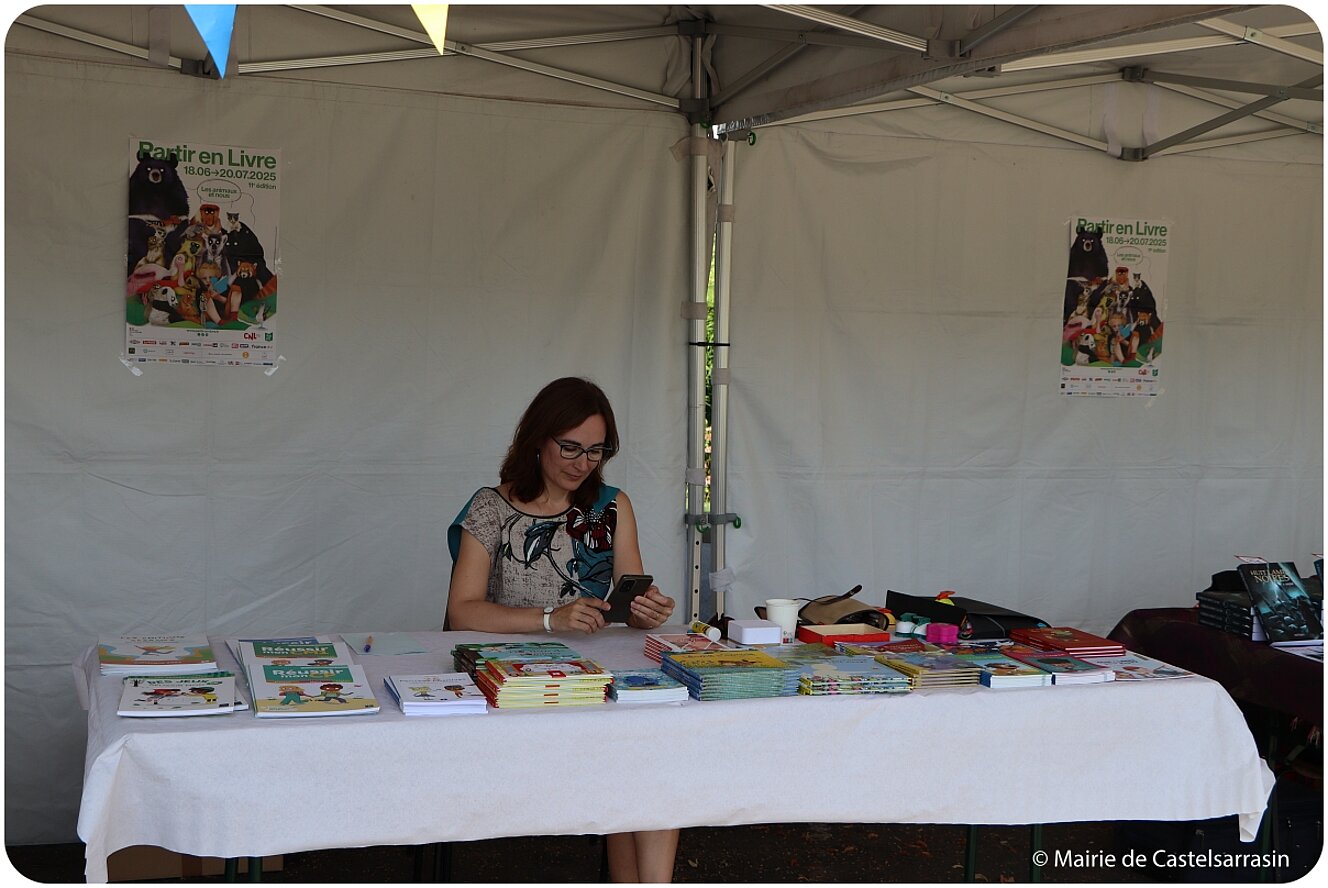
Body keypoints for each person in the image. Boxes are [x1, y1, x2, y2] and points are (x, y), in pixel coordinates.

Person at [446, 376, 679, 882]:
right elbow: (462, 612)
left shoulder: (612, 506)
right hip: (514, 688)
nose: (582, 463)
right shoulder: (491, 507)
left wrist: (646, 609)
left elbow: (627, 600)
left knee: (652, 758)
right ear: (537, 439)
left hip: (596, 681)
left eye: (596, 451)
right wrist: (551, 620)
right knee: (637, 762)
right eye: (570, 447)